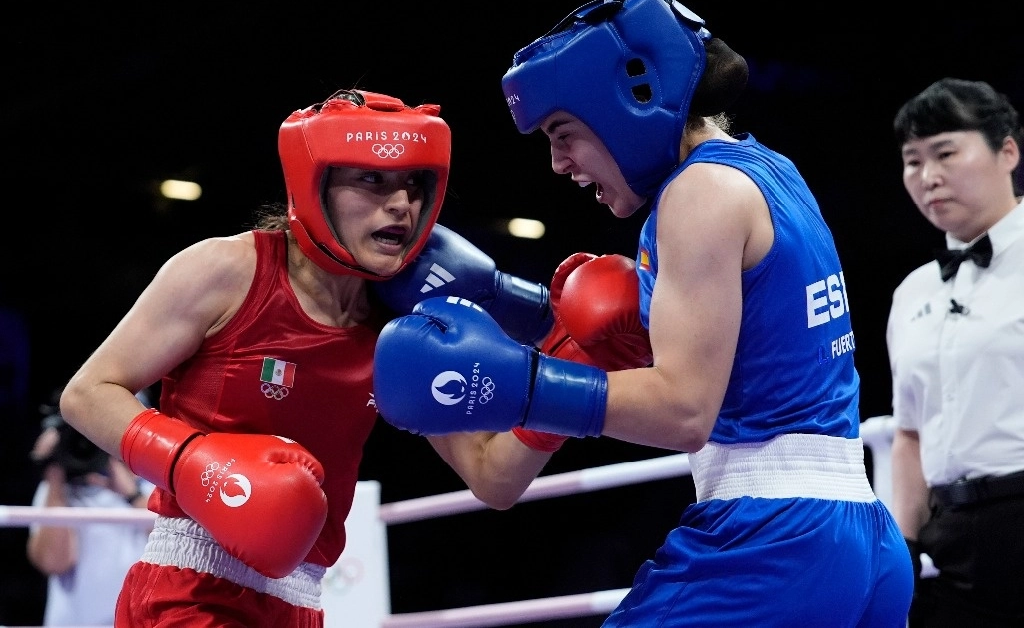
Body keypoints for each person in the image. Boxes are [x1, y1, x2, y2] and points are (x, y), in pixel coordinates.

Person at [372, 0, 913, 626]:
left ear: (630, 99)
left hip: (772, 542)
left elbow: (685, 409)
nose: (559, 163)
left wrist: (514, 380)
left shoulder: (698, 195)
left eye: (563, 132)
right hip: (860, 537)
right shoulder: (770, 172)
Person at [58, 87, 651, 627]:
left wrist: (569, 366)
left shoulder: (406, 325)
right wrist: (195, 464)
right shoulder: (227, 270)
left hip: (304, 604)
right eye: (372, 180)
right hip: (188, 590)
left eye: (414, 186)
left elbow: (493, 477)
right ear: (314, 184)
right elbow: (87, 393)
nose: (401, 205)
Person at [887, 77, 1024, 627]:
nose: (929, 177)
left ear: (1007, 151)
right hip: (953, 542)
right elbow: (910, 432)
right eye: (913, 160)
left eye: (945, 152)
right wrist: (902, 544)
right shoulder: (912, 292)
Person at [27, 392, 155, 627]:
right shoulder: (56, 493)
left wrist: (132, 495)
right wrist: (55, 470)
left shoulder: (156, 489)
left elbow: (173, 554)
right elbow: (54, 562)